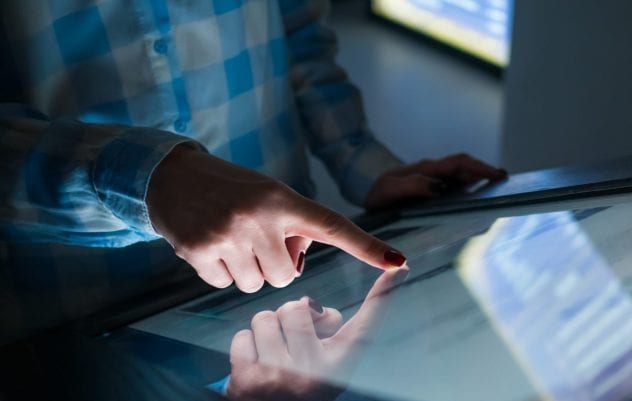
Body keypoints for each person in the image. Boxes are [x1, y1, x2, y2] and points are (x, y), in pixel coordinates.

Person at [0, 0, 505, 343]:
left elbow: (297, 31)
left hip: (289, 291)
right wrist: (151, 182)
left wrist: (360, 160)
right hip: (69, 323)